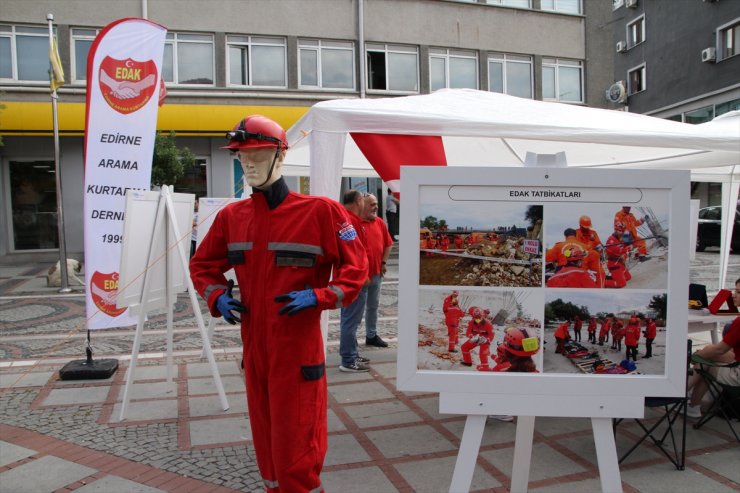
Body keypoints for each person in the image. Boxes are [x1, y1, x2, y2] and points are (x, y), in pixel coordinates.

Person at [190, 115, 367, 492]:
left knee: (299, 446)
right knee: (267, 448)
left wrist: (320, 296)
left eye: (257, 154)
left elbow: (357, 268)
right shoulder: (232, 218)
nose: (248, 164)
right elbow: (202, 265)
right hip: (255, 350)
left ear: (280, 156)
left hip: (298, 352)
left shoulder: (321, 212)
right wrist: (218, 295)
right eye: (242, 156)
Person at [687, 280, 740, 419]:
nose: (734, 295)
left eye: (738, 292)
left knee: (704, 363)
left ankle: (683, 398)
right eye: (735, 290)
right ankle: (692, 404)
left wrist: (696, 356)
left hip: (738, 375)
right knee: (708, 353)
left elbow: (720, 350)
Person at [338, 190, 371, 372]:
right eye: (365, 201)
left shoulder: (349, 219)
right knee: (350, 320)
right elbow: (354, 253)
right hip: (356, 280)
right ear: (358, 201)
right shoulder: (349, 221)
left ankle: (352, 353)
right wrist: (362, 275)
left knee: (350, 319)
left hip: (354, 278)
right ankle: (348, 359)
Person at [362, 193, 394, 348]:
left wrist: (383, 262)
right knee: (354, 308)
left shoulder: (380, 223)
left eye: (376, 204)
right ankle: (350, 338)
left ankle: (371, 335)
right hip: (359, 276)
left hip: (376, 273)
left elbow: (388, 244)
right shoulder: (355, 223)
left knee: (373, 306)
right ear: (362, 205)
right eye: (372, 204)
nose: (376, 207)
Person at [604, 222, 632, 288]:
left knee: (628, 277)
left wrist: (627, 233)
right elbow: (615, 250)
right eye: (619, 231)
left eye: (622, 231)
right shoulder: (610, 240)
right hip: (614, 264)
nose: (621, 232)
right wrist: (627, 249)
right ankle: (602, 281)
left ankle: (612, 278)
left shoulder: (621, 238)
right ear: (615, 230)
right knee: (621, 284)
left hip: (620, 263)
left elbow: (627, 243)